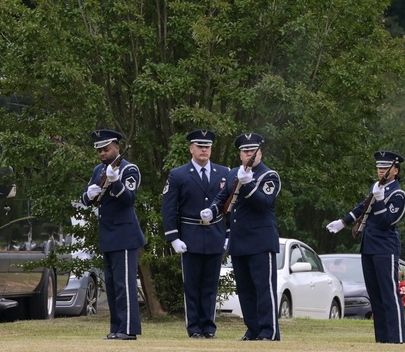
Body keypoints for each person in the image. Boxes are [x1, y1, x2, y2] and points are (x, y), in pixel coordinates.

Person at [202, 132, 281, 341]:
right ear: (240, 155)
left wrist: (247, 185)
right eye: (245, 152)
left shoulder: (269, 176)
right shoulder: (233, 173)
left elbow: (264, 202)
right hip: (239, 241)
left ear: (260, 153)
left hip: (261, 241)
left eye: (252, 152)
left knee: (264, 289)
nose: (249, 155)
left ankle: (268, 332)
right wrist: (212, 210)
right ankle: (253, 329)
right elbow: (223, 196)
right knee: (245, 291)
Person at [326, 150, 405, 344]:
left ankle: (396, 338)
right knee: (375, 296)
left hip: (385, 248)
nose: (381, 172)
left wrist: (379, 201)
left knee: (389, 294)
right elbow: (362, 207)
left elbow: (387, 221)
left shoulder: (398, 194)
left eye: (385, 168)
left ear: (395, 171)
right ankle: (382, 339)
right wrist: (343, 222)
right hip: (369, 246)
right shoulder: (377, 189)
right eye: (379, 168)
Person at [161, 129, 229, 338]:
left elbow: (230, 206)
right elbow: (169, 208)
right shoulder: (178, 174)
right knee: (192, 286)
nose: (204, 150)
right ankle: (194, 328)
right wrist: (173, 237)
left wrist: (228, 234)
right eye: (199, 146)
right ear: (191, 149)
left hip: (215, 235)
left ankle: (209, 327)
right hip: (190, 235)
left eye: (207, 147)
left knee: (210, 286)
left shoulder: (223, 173)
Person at [81, 129, 146, 340]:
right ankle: (117, 327)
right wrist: (87, 196)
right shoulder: (98, 170)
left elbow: (128, 200)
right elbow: (89, 196)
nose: (102, 153)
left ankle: (128, 329)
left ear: (117, 147)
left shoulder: (129, 169)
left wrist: (116, 182)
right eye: (99, 150)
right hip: (107, 233)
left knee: (124, 284)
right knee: (111, 284)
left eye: (106, 149)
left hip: (124, 234)